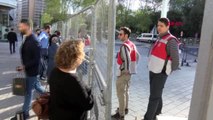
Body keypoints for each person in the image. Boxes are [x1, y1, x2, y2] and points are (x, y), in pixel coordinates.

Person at [143, 18, 180, 120]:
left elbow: (176, 60)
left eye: (161, 26)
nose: (159, 28)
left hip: (161, 72)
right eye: (158, 25)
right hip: (153, 70)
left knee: (153, 97)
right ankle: (158, 110)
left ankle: (149, 117)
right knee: (156, 93)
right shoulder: (160, 37)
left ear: (168, 26)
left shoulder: (171, 40)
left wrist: (169, 71)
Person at [48, 40, 94, 120]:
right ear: (76, 58)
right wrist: (88, 89)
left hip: (55, 115)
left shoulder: (54, 71)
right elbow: (88, 104)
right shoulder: (73, 81)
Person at [17, 19, 45, 119]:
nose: (19, 28)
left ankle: (25, 113)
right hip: (29, 70)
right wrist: (24, 66)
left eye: (21, 26)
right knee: (37, 87)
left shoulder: (34, 40)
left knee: (28, 93)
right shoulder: (27, 38)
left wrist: (25, 66)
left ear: (27, 26)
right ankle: (53, 96)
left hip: (32, 71)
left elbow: (37, 59)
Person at [112, 27, 139, 120]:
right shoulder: (131, 44)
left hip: (124, 72)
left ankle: (121, 114)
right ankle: (125, 108)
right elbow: (137, 56)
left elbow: (127, 58)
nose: (119, 36)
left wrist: (126, 69)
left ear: (126, 35)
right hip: (129, 72)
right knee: (126, 91)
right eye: (119, 34)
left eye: (120, 34)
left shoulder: (124, 46)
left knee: (120, 92)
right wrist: (132, 68)